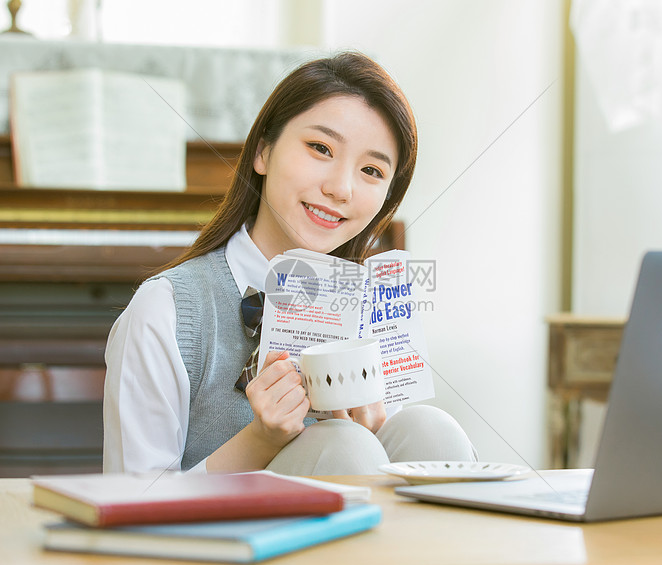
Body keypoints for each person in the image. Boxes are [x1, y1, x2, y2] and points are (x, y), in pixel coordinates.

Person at [103, 51, 476, 475]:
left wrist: (375, 430)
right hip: (220, 537)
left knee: (432, 430)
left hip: (365, 527)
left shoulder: (375, 315)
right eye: (320, 148)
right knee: (344, 446)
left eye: (371, 170)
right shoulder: (166, 310)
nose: (340, 188)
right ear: (263, 152)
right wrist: (261, 440)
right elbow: (130, 507)